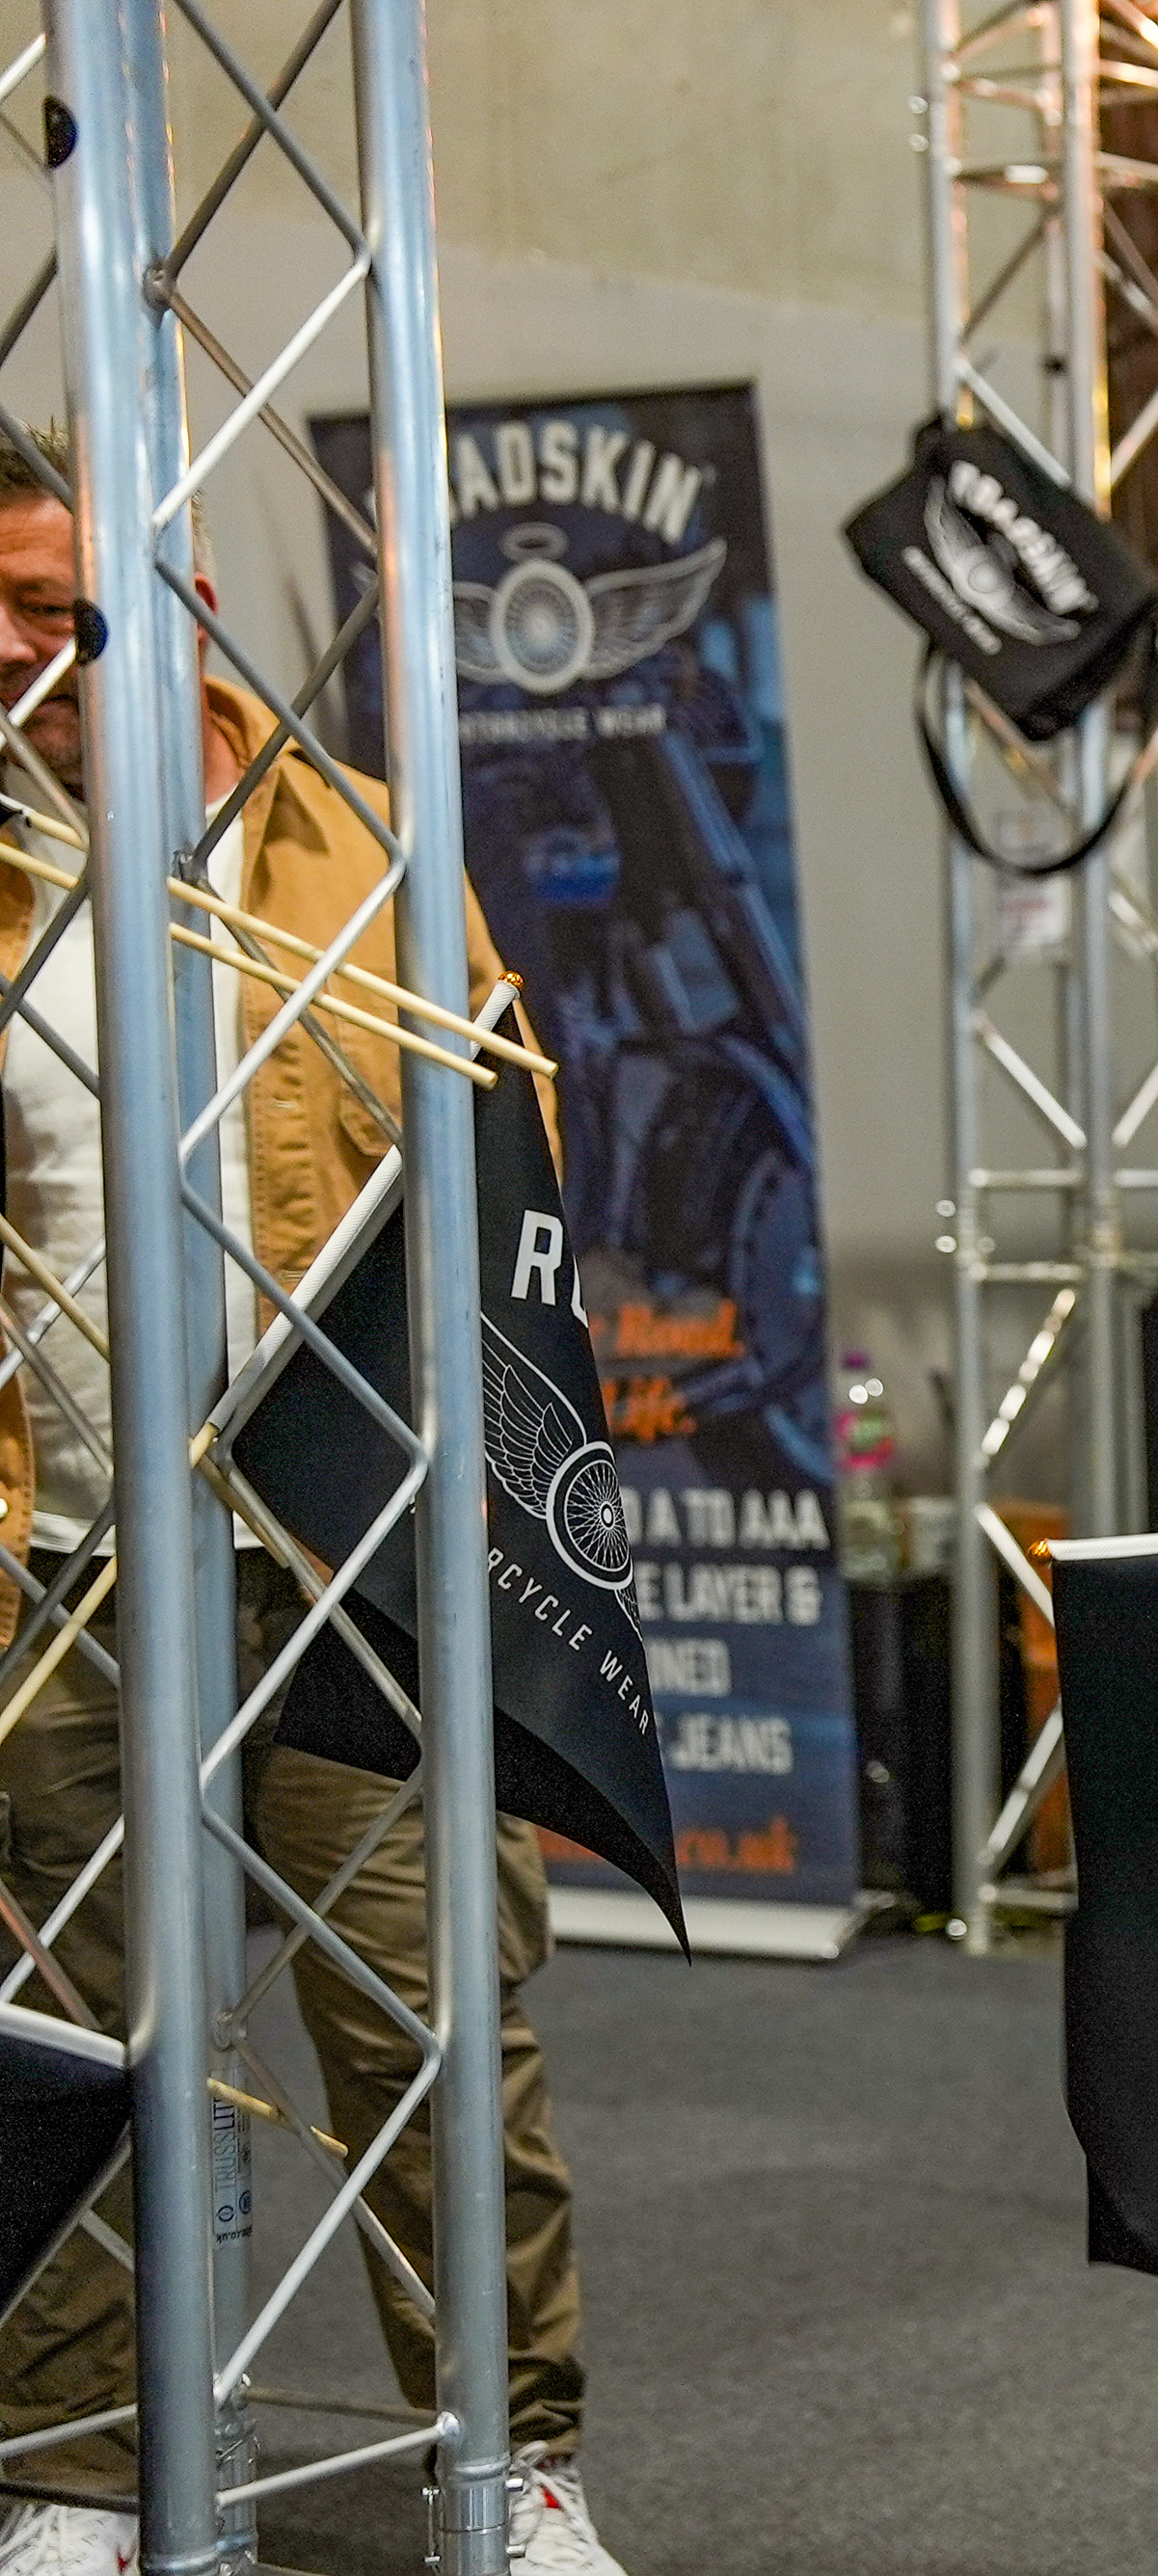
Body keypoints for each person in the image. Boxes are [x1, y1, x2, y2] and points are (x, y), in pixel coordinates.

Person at [0, 438, 627, 2574]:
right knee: (73, 2050)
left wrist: (494, 1521)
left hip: (352, 1563)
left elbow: (505, 1172)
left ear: (177, 597)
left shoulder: (355, 847)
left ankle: (510, 2463)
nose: (23, 655)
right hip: (61, 1577)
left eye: (52, 605)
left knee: (433, 2037)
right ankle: (80, 2475)